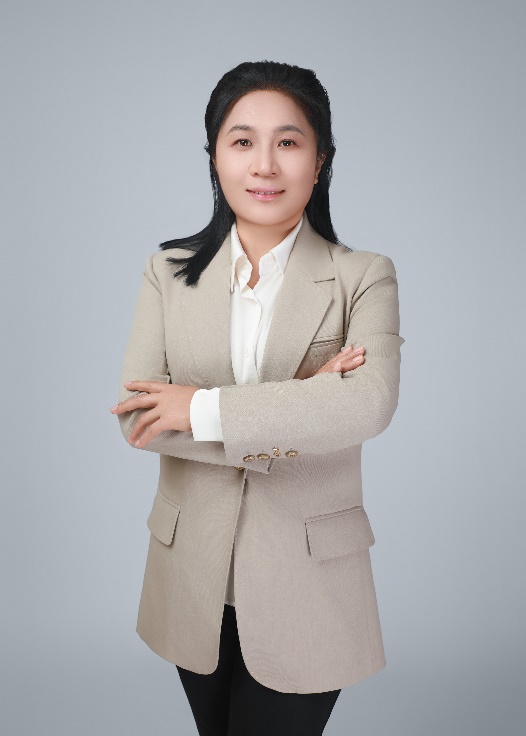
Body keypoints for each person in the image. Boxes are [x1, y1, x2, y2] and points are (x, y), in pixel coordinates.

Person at [110, 60, 405, 736]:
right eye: (242, 141)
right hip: (192, 578)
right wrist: (302, 404)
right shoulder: (166, 274)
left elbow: (367, 406)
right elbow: (139, 419)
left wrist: (199, 409)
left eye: (289, 142)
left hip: (310, 582)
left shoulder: (364, 277)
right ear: (214, 156)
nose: (265, 164)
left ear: (320, 160)